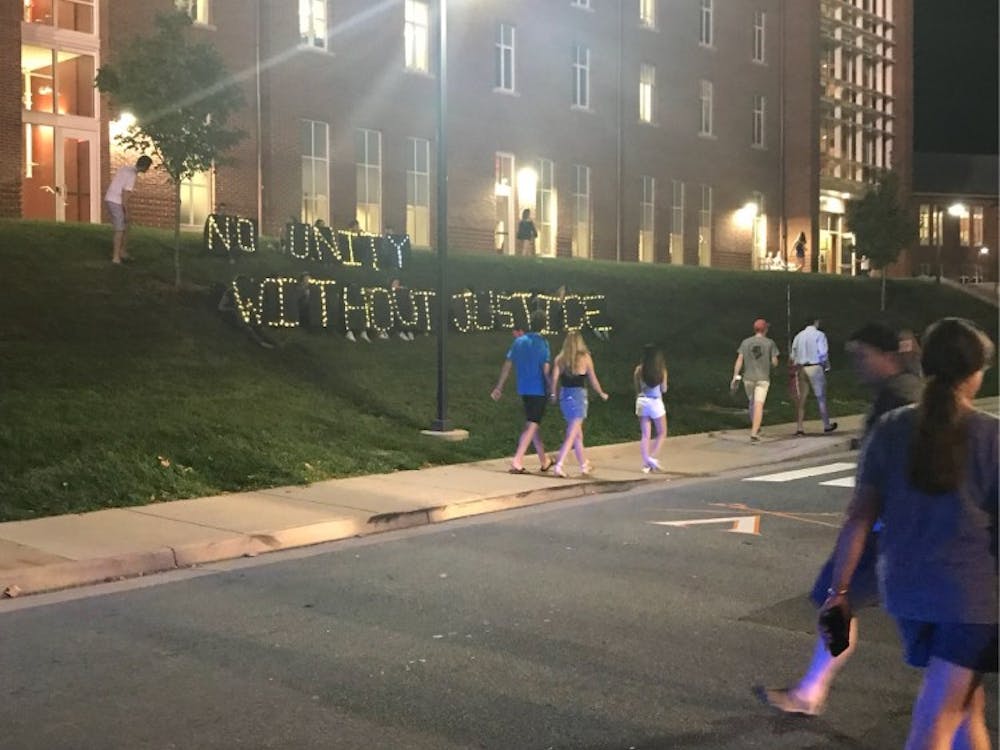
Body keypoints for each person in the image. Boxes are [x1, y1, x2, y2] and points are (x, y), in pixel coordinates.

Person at [819, 318, 996, 748]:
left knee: (965, 706)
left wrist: (838, 592)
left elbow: (858, 517)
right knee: (938, 714)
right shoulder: (991, 436)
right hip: (973, 600)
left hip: (908, 594)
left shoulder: (892, 428)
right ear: (975, 373)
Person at [762, 320, 923, 717]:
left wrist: (865, 520)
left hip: (885, 527)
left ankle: (811, 692)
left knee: (837, 599)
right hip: (902, 525)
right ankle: (812, 690)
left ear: (887, 356)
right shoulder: (907, 391)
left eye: (861, 356)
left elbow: (887, 474)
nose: (857, 365)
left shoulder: (898, 401)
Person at [491, 309, 552, 474]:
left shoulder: (519, 342)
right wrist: (552, 389)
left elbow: (508, 365)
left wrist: (499, 386)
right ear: (544, 325)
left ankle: (544, 460)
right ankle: (517, 460)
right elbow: (545, 369)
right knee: (532, 424)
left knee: (533, 424)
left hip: (524, 388)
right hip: (538, 389)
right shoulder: (543, 343)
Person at [548, 331, 609, 478]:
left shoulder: (560, 359)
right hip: (579, 397)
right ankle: (559, 464)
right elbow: (593, 379)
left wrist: (553, 394)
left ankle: (584, 465)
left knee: (577, 435)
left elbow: (554, 379)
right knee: (572, 433)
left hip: (565, 396)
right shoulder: (585, 358)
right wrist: (601, 393)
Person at [731, 319, 780, 442]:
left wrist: (735, 375)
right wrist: (773, 363)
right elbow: (774, 362)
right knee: (759, 404)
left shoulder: (745, 342)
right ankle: (754, 432)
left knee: (752, 402)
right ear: (765, 329)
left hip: (748, 378)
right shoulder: (770, 343)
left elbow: (739, 359)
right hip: (763, 378)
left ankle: (755, 425)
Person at [790, 317, 838, 435]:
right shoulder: (819, 335)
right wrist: (826, 366)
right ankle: (826, 425)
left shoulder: (798, 336)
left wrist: (797, 364)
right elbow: (823, 353)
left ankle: (800, 427)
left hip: (802, 368)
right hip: (815, 367)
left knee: (802, 398)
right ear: (815, 322)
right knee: (820, 397)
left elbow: (793, 355)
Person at [105, 155, 152, 264]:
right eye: (148, 167)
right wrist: (126, 212)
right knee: (120, 229)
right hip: (116, 201)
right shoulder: (132, 175)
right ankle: (115, 257)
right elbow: (125, 195)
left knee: (127, 226)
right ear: (145, 167)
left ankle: (122, 251)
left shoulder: (125, 168)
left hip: (110, 198)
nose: (148, 169)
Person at [633, 344, 669, 473]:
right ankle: (651, 458)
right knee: (662, 432)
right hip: (656, 402)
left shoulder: (639, 370)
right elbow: (664, 389)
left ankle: (646, 463)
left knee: (645, 435)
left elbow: (637, 388)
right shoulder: (661, 370)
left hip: (642, 401)